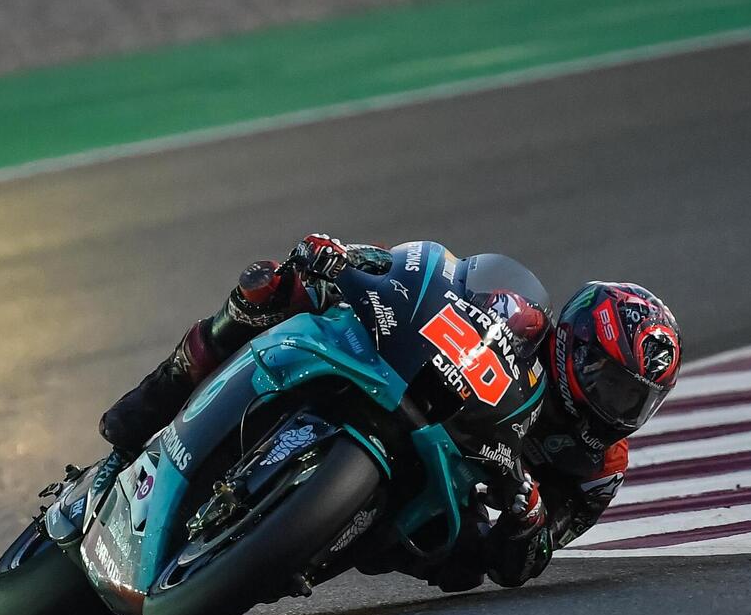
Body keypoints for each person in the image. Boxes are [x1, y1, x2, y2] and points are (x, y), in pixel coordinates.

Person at [100, 234, 682, 591]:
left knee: (461, 567)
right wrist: (353, 259)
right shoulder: (522, 316)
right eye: (609, 382)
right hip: (416, 389)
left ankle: (292, 544)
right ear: (576, 342)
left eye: (632, 399)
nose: (613, 405)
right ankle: (145, 412)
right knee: (272, 289)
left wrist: (528, 515)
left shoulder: (600, 466)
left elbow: (522, 565)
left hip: (454, 491)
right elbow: (432, 283)